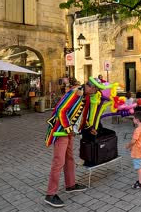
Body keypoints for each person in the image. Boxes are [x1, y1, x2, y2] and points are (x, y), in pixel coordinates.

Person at [44, 80, 99, 208]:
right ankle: (50, 194)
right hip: (61, 131)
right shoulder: (75, 93)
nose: (96, 92)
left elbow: (81, 116)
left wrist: (89, 127)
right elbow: (60, 110)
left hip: (69, 132)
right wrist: (68, 129)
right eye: (96, 89)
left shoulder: (85, 97)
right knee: (59, 161)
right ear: (89, 87)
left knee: (69, 158)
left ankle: (70, 184)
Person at [125, 111, 141, 189]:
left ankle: (140, 183)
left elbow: (133, 141)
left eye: (134, 118)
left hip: (138, 152)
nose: (133, 120)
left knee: (139, 168)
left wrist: (128, 146)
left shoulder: (137, 130)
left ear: (137, 120)